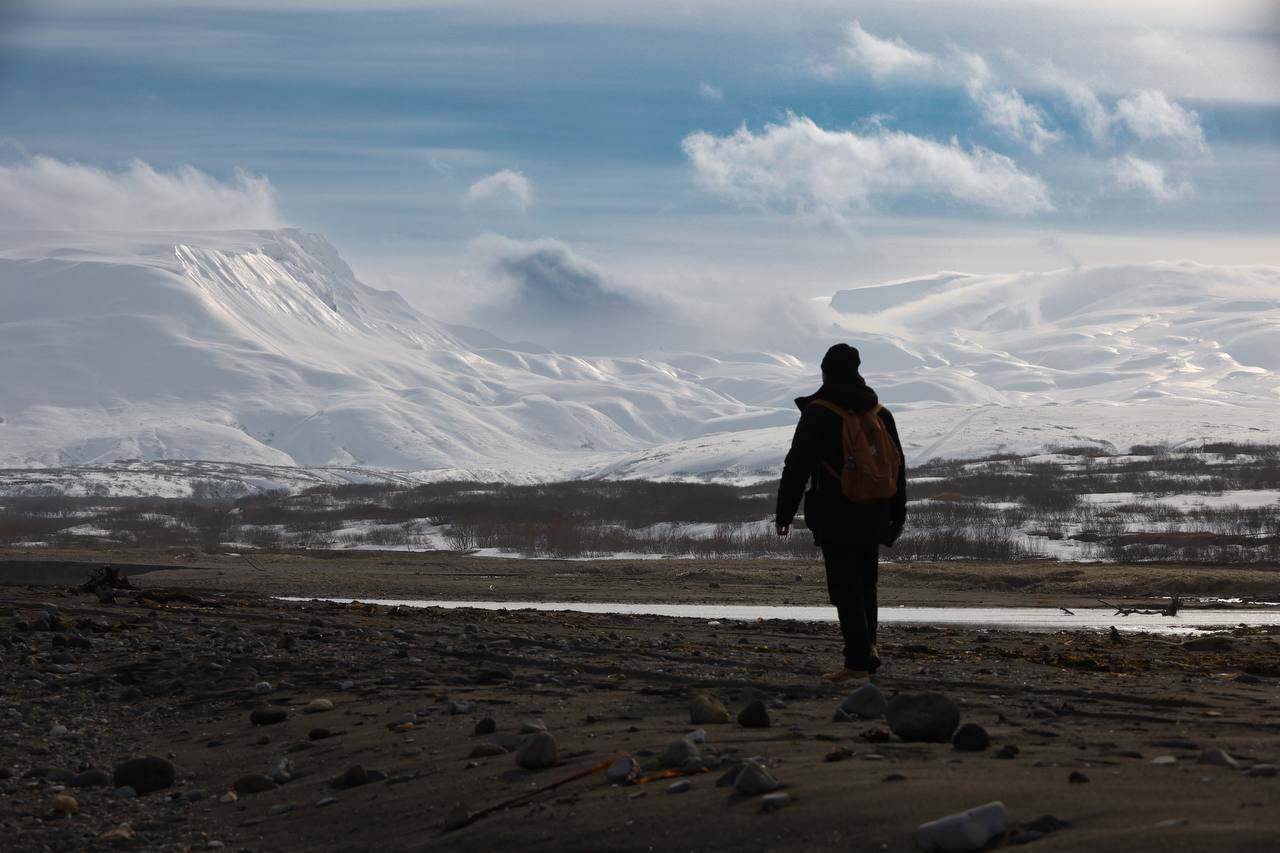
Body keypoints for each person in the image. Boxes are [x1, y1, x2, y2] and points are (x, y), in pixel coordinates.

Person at [775, 343, 907, 682]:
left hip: (836, 510)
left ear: (825, 372)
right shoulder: (880, 412)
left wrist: (784, 513)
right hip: (876, 509)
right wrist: (898, 512)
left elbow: (797, 466)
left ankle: (857, 662)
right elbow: (897, 466)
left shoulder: (818, 413)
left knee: (844, 587)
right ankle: (869, 648)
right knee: (866, 583)